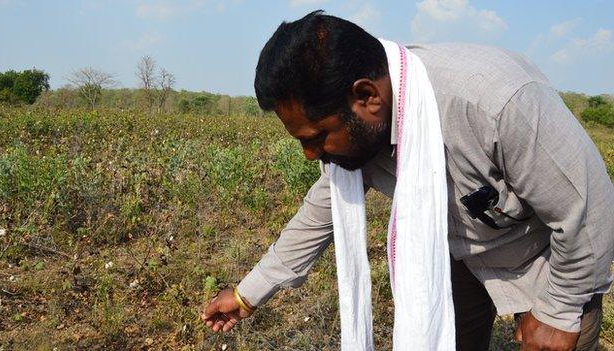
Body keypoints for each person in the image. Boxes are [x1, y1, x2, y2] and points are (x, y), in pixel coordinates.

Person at [200, 11, 614, 351]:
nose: (311, 155)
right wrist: (246, 293)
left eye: (317, 138)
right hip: (449, 251)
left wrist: (558, 311)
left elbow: (588, 212)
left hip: (543, 255)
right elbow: (321, 211)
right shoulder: (361, 133)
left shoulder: (496, 102)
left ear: (367, 98)